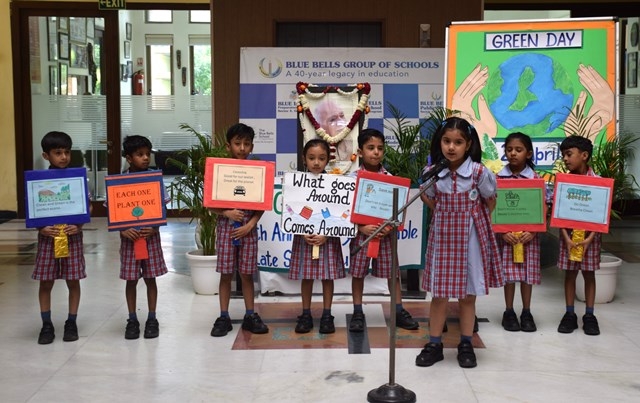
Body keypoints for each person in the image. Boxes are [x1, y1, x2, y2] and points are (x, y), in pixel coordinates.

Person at [415, 117, 504, 369]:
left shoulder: (478, 172)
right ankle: (434, 344)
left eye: (458, 142)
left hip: (471, 239)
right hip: (443, 238)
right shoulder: (433, 172)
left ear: (469, 145)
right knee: (439, 294)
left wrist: (470, 218)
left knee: (467, 295)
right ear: (439, 143)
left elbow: (490, 201)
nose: (451, 147)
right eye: (446, 141)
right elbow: (428, 199)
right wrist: (445, 213)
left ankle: (466, 343)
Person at [348, 128, 419, 332]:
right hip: (361, 235)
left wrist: (388, 227)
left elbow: (398, 210)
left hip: (386, 236)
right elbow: (346, 211)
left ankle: (398, 310)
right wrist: (361, 227)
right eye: (370, 148)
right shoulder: (352, 179)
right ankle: (357, 311)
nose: (376, 152)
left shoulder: (391, 179)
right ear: (360, 151)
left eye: (380, 148)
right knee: (358, 274)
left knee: (393, 274)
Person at [210, 123, 268, 337]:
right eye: (237, 143)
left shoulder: (257, 171)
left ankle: (250, 315)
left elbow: (262, 204)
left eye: (246, 144)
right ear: (228, 146)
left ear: (252, 147)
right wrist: (226, 212)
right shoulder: (220, 170)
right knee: (226, 275)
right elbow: (209, 204)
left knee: (246, 274)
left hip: (248, 231)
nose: (242, 148)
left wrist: (250, 224)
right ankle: (223, 316)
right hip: (226, 230)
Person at [32, 131, 88, 344]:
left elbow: (87, 207)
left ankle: (71, 322)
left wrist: (79, 225)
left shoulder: (77, 178)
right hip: (48, 239)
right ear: (46, 156)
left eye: (67, 152)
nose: (64, 157)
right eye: (58, 153)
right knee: (46, 282)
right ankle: (46, 324)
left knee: (73, 280)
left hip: (72, 238)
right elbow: (34, 209)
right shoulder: (38, 181)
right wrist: (41, 228)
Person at [289, 139, 345, 334]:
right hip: (305, 237)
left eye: (321, 158)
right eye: (311, 158)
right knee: (307, 276)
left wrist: (326, 234)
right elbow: (291, 210)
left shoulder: (335, 184)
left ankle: (327, 315)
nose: (316, 162)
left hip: (327, 237)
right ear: (304, 159)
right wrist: (302, 230)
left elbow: (338, 211)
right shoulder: (297, 183)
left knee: (327, 277)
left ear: (327, 160)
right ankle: (305, 314)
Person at [118, 135, 168, 340]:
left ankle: (152, 318)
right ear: (129, 158)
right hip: (129, 240)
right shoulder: (119, 181)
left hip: (150, 238)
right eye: (140, 154)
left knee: (150, 278)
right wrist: (122, 229)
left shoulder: (155, 179)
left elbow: (162, 208)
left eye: (148, 154)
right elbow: (114, 212)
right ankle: (132, 319)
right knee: (131, 280)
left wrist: (155, 228)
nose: (146, 158)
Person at [495, 132, 542, 332]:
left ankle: (526, 312)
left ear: (528, 153)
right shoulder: (498, 178)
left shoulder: (535, 179)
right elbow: (492, 208)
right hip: (507, 237)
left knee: (526, 275)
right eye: (509, 149)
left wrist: (533, 231)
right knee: (509, 275)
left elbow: (542, 208)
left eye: (518, 150)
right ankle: (509, 311)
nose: (513, 153)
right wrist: (501, 232)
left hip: (528, 237)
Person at [556, 135, 602, 336]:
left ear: (584, 155)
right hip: (568, 237)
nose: (565, 159)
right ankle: (569, 314)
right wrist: (566, 238)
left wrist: (589, 239)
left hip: (591, 238)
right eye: (563, 155)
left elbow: (601, 215)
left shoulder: (599, 183)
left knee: (589, 274)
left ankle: (589, 315)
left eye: (569, 154)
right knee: (570, 274)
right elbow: (559, 213)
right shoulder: (563, 182)